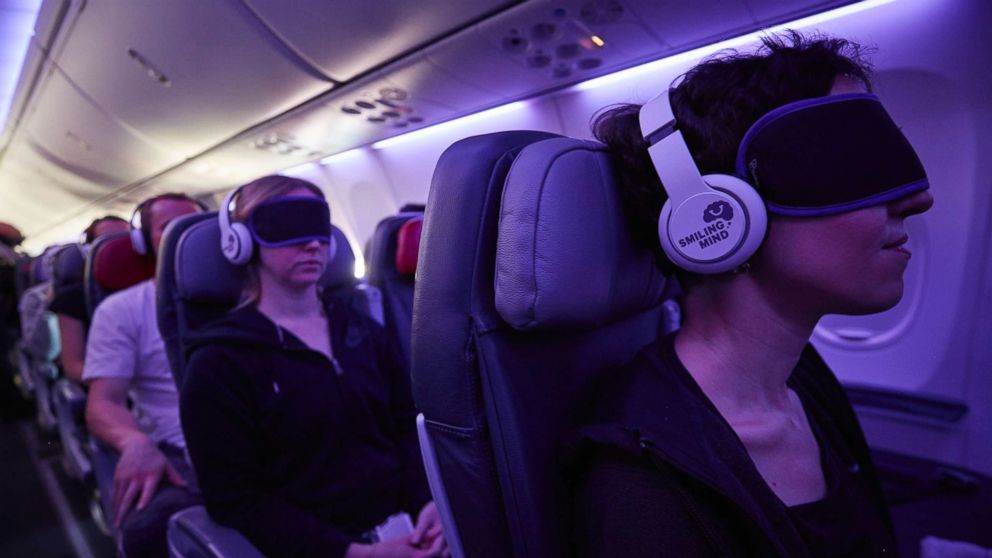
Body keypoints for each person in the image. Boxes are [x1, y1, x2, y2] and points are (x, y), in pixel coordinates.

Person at [565, 32, 933, 556]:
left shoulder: (801, 378)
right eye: (855, 165)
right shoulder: (649, 488)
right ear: (719, 214)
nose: (919, 199)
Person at [180, 175, 446, 558]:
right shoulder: (219, 362)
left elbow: (406, 427)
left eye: (318, 227)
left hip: (407, 533)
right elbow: (237, 500)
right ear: (241, 242)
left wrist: (428, 504)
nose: (313, 244)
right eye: (289, 226)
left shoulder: (362, 331)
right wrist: (355, 553)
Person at [83, 195, 204, 557]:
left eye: (195, 226)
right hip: (179, 449)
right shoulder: (121, 310)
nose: (186, 236)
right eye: (170, 228)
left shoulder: (252, 294)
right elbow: (102, 402)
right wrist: (134, 440)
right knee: (146, 530)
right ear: (143, 243)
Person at [51, 215, 129, 383]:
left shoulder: (154, 287)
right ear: (88, 250)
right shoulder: (72, 296)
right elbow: (74, 367)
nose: (118, 246)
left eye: (125, 239)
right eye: (105, 240)